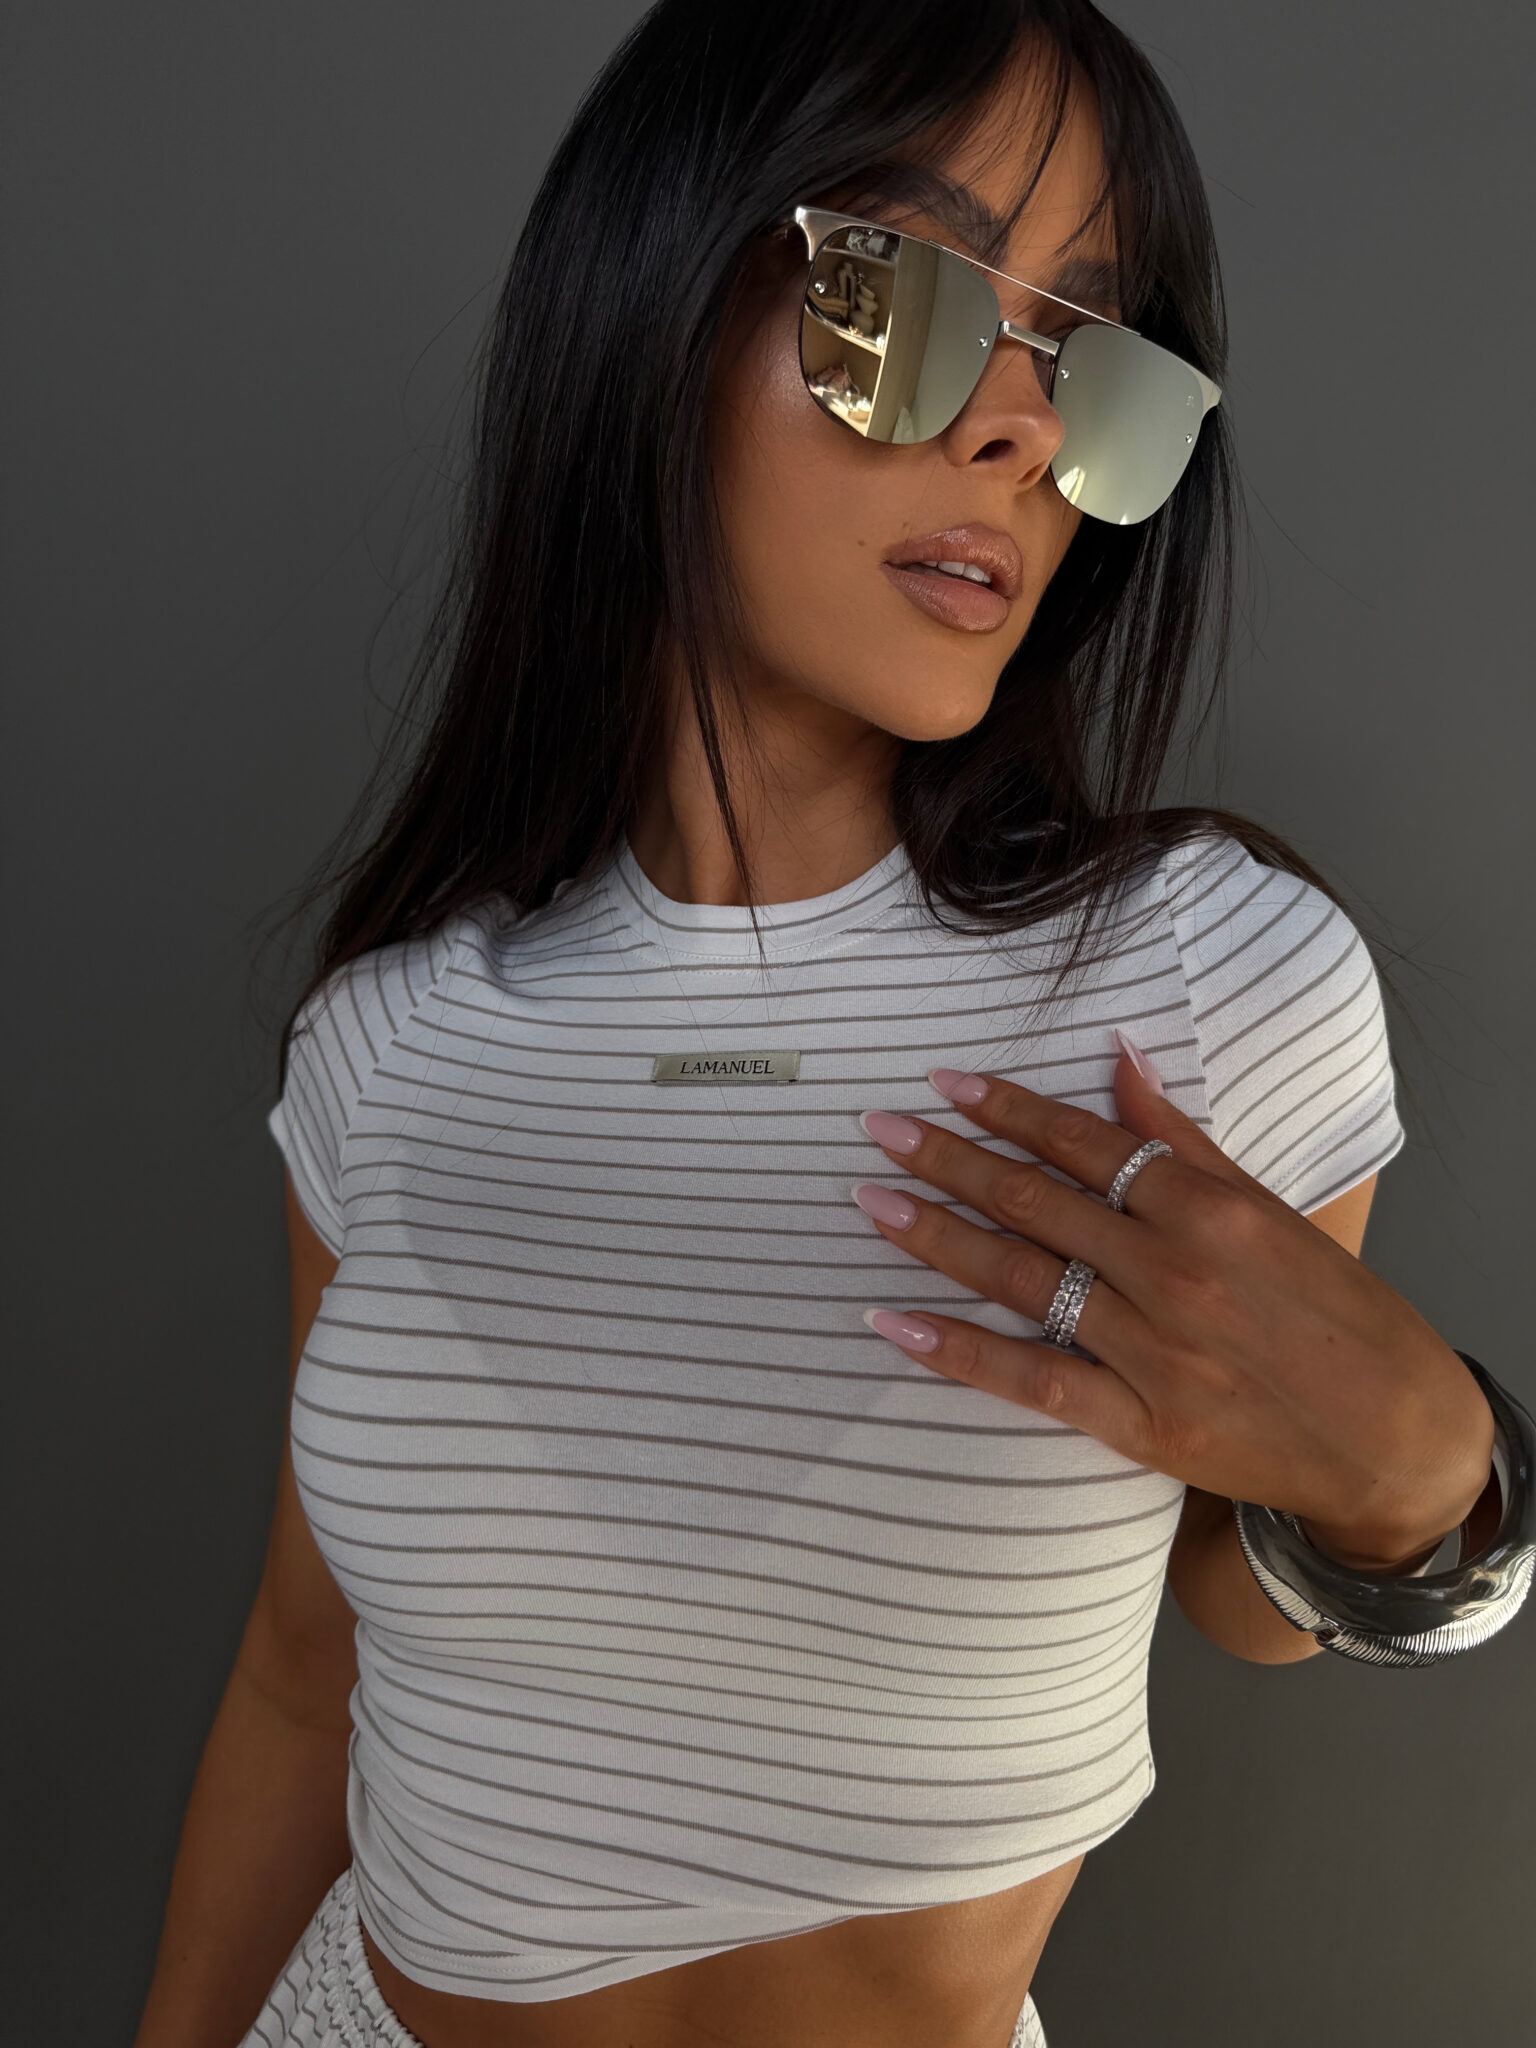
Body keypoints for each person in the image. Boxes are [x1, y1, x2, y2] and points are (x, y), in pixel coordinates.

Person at [131, 4, 1507, 2046]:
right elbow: (299, 1672)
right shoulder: (390, 1045)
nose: (1021, 429)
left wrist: (1434, 1485)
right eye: (906, 301)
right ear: (651, 311)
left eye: (1092, 364)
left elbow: (1248, 1588)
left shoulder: (1208, 979)